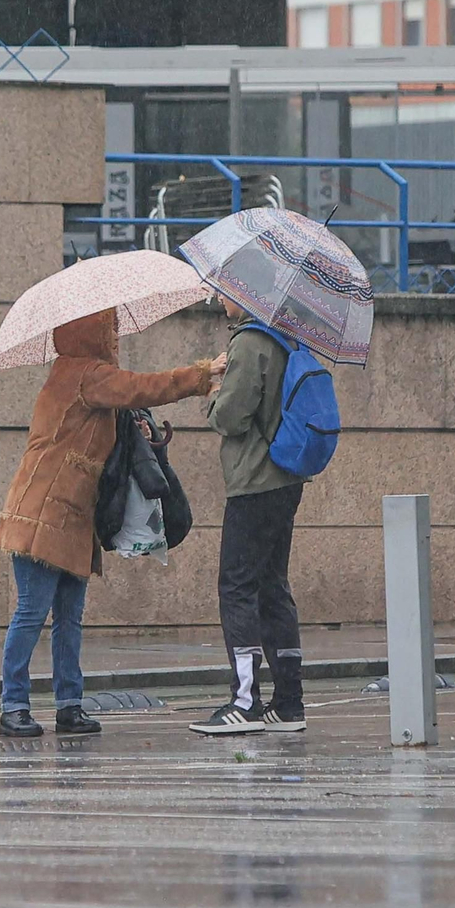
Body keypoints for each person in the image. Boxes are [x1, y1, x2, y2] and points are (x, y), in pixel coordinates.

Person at [0, 308, 222, 737]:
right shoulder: (83, 373)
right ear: (88, 331)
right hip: (45, 510)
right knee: (33, 611)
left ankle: (68, 704)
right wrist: (202, 374)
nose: (115, 337)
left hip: (73, 516)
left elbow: (121, 412)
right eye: (108, 328)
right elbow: (142, 387)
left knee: (68, 616)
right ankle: (14, 705)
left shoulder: (85, 377)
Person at [190, 295, 309, 735]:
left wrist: (214, 394)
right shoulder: (288, 337)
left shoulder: (250, 343)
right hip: (286, 478)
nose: (219, 299)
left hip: (254, 481)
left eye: (225, 292)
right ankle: (289, 702)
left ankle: (244, 702)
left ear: (245, 294)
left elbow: (232, 417)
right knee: (273, 587)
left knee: (236, 586)